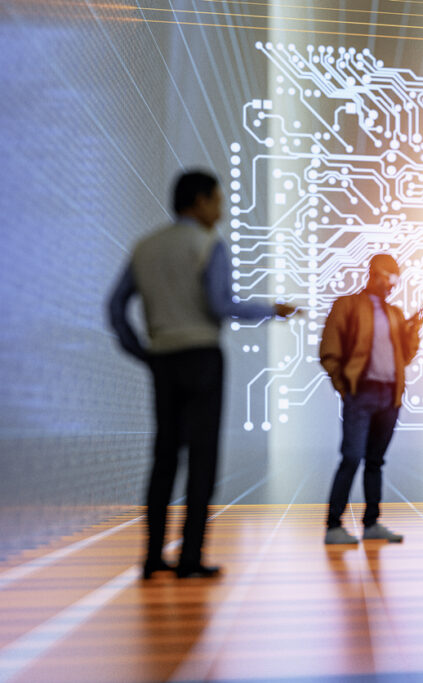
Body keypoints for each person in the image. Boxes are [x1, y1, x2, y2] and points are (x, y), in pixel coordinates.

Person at [107, 169, 297, 580]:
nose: (222, 208)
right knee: (202, 459)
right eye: (216, 199)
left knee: (163, 458)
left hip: (164, 357)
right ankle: (190, 557)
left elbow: (115, 307)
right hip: (202, 357)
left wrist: (142, 350)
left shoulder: (145, 247)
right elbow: (219, 304)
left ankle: (153, 557)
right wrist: (270, 310)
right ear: (198, 201)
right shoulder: (208, 244)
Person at [319, 253, 423, 544]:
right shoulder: (347, 305)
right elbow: (329, 348)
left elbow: (404, 356)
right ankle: (333, 526)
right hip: (361, 393)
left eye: (396, 280)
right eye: (389, 278)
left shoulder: (395, 313)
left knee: (376, 461)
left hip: (389, 396)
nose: (392, 285)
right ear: (374, 274)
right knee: (352, 457)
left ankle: (372, 524)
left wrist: (413, 330)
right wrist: (345, 386)